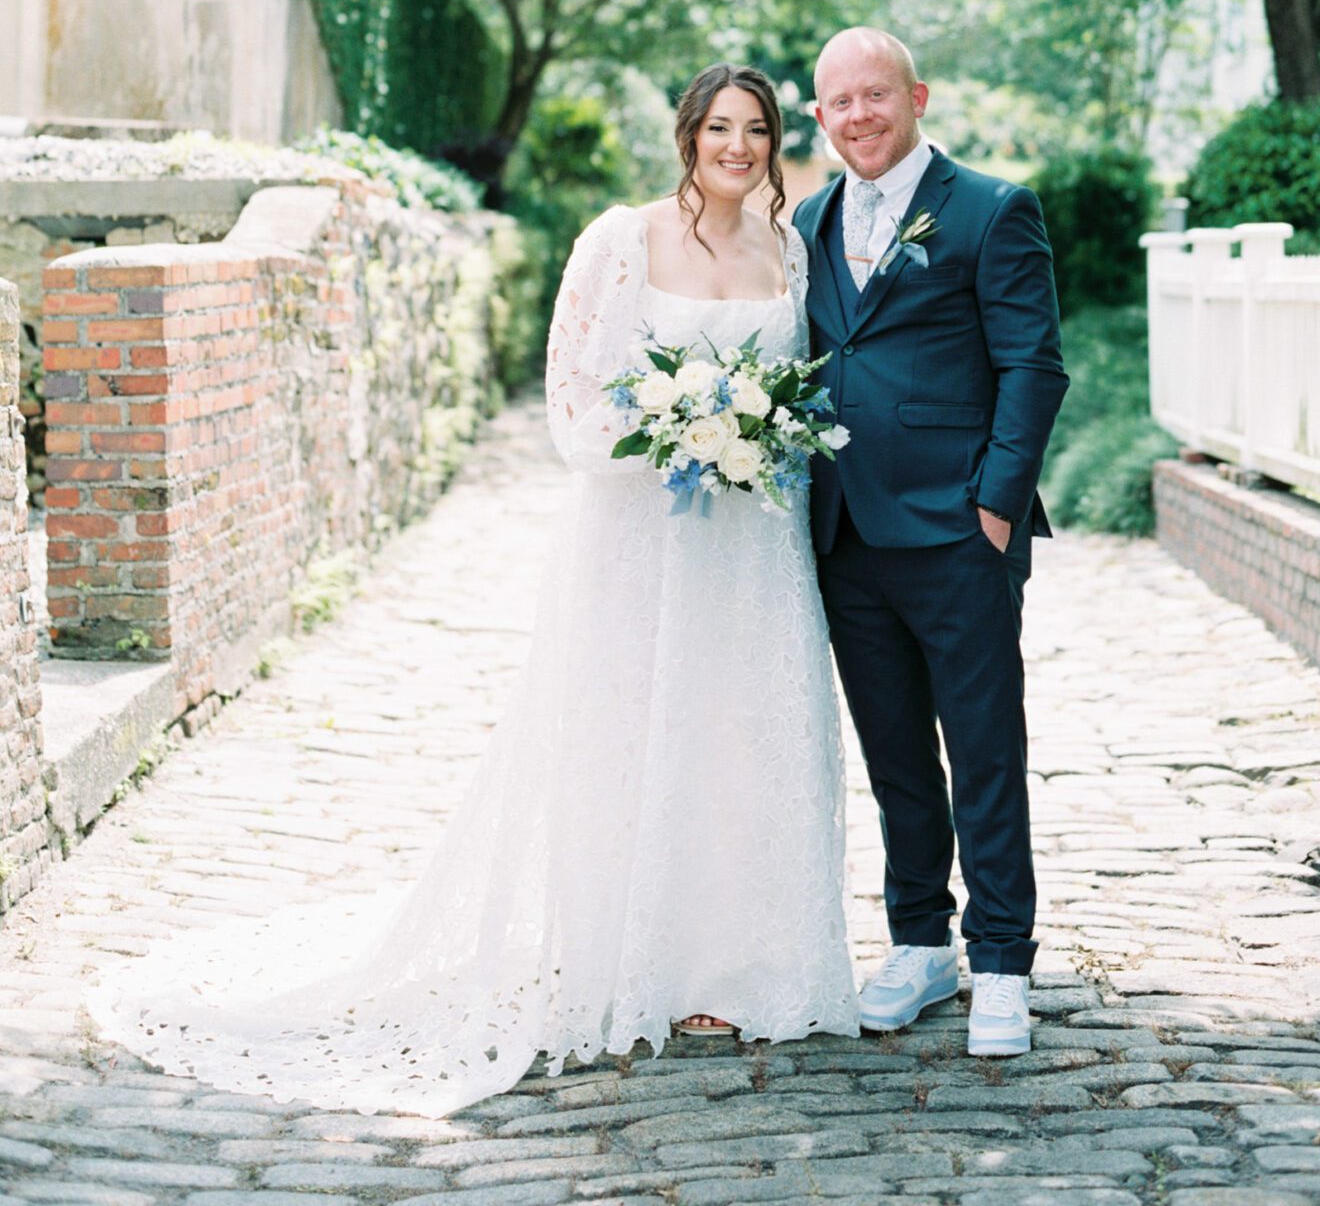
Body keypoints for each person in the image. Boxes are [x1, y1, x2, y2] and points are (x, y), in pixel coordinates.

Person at [84, 63, 857, 1116]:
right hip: (643, 534)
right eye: (719, 126)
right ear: (688, 134)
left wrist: (751, 437)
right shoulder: (621, 240)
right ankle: (637, 956)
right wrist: (674, 431)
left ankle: (741, 963)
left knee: (743, 737)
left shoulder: (791, 247)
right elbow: (573, 386)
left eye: (756, 130)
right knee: (639, 734)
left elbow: (802, 388)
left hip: (754, 550)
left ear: (773, 143)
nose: (738, 146)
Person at [794, 27, 1068, 1058]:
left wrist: (992, 508)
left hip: (957, 531)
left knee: (984, 751)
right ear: (818, 118)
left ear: (915, 96)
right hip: (844, 531)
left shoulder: (990, 209)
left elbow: (1033, 366)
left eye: (875, 95)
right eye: (837, 102)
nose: (858, 115)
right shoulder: (809, 220)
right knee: (896, 754)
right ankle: (920, 939)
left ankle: (1000, 958)